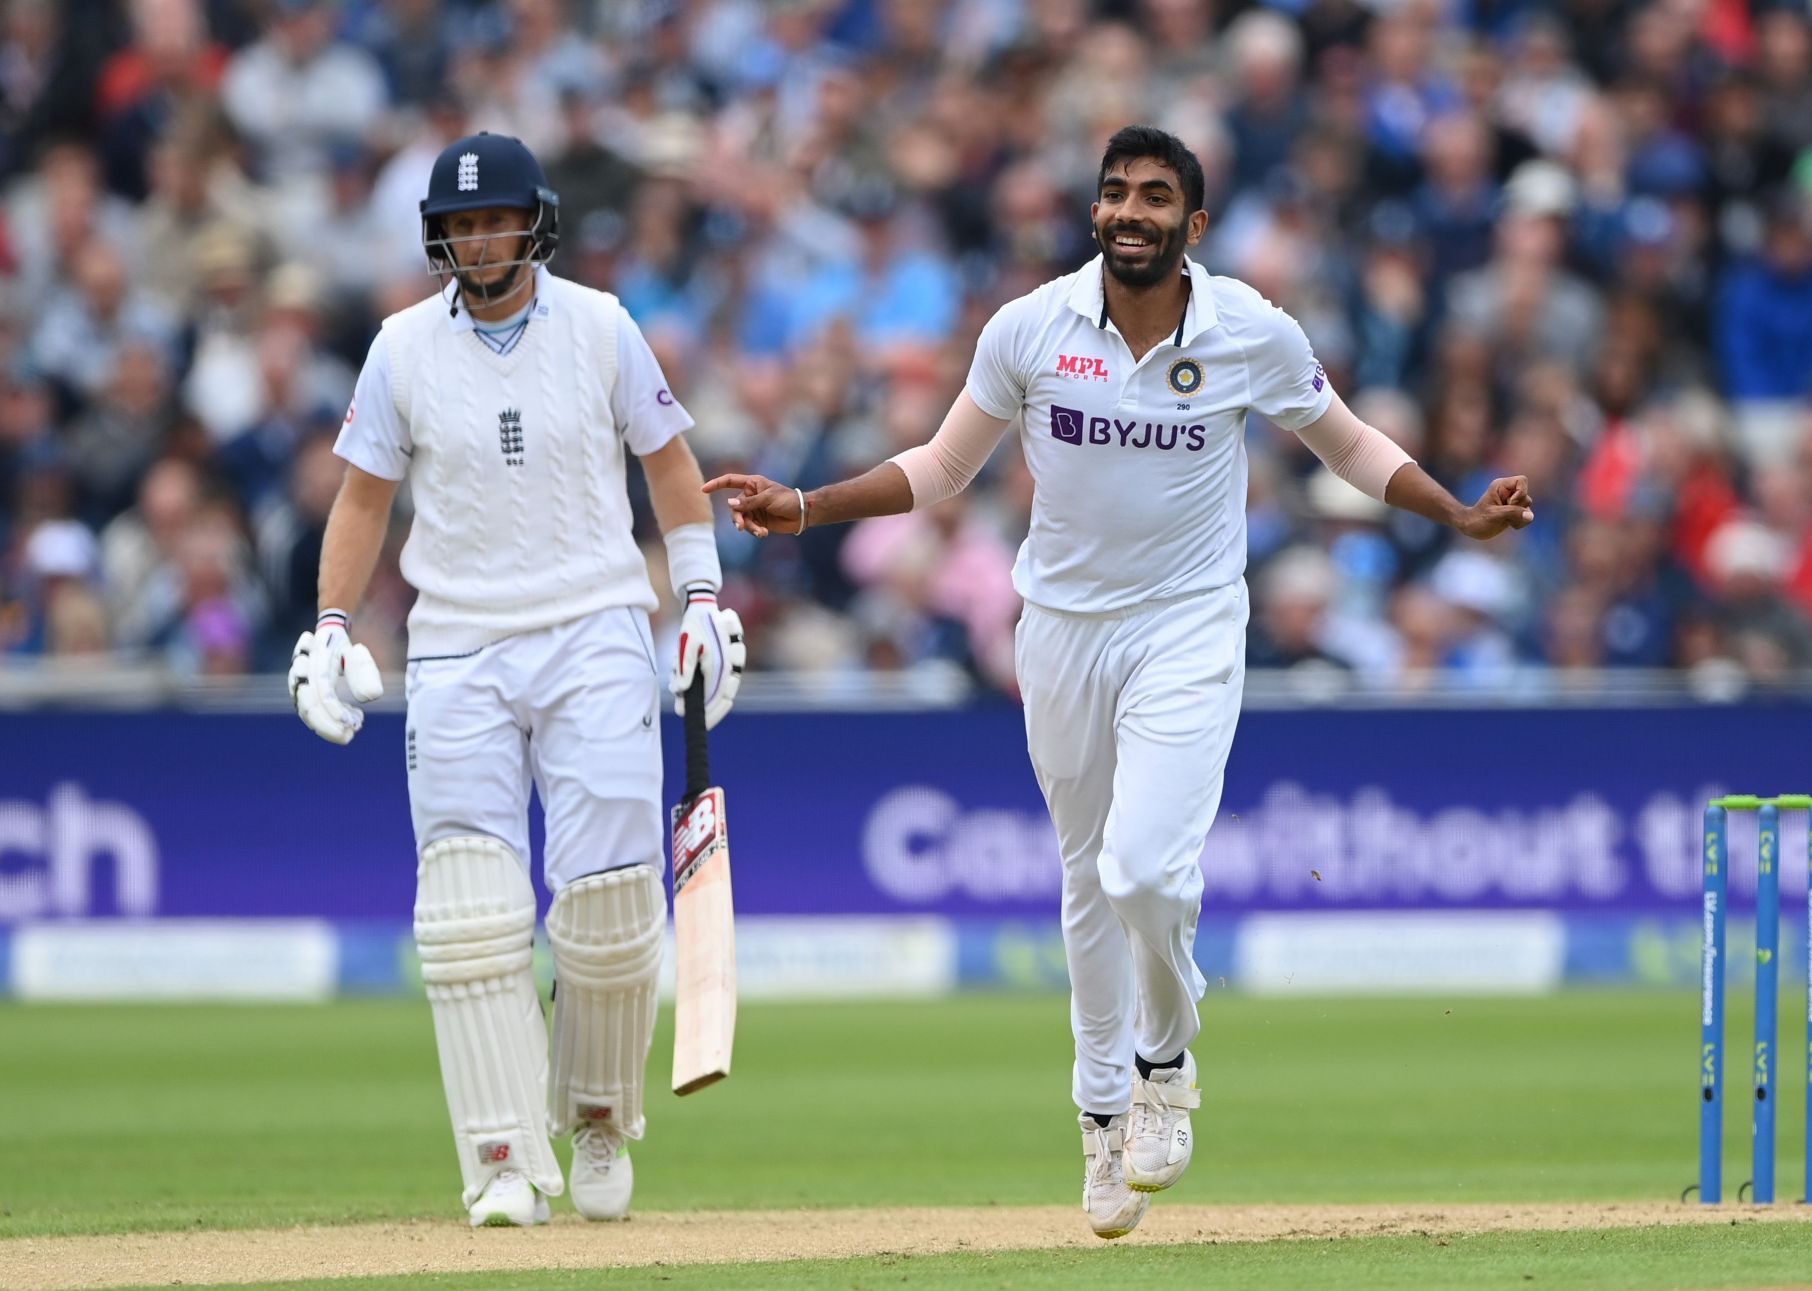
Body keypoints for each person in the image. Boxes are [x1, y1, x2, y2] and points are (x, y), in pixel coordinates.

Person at [706, 126, 1532, 1240]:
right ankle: (1099, 1112)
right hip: (1060, 631)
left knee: (1146, 866)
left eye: (1154, 197)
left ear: (1192, 226)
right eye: (1114, 194)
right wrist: (804, 506)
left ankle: (1165, 1060)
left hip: (1189, 627)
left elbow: (1346, 444)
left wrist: (1457, 511)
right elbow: (941, 468)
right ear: (1094, 213)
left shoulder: (1251, 329)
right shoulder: (1031, 327)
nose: (1129, 211)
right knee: (1088, 880)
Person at [288, 132, 744, 1228]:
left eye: (495, 219)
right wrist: (332, 625)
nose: (478, 239)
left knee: (608, 907)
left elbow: (669, 465)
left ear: (533, 220)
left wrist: (703, 600)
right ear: (438, 235)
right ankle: (500, 1156)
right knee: (467, 913)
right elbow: (361, 499)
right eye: (460, 224)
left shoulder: (602, 326)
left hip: (595, 628)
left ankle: (593, 1119)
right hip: (457, 639)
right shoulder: (400, 346)